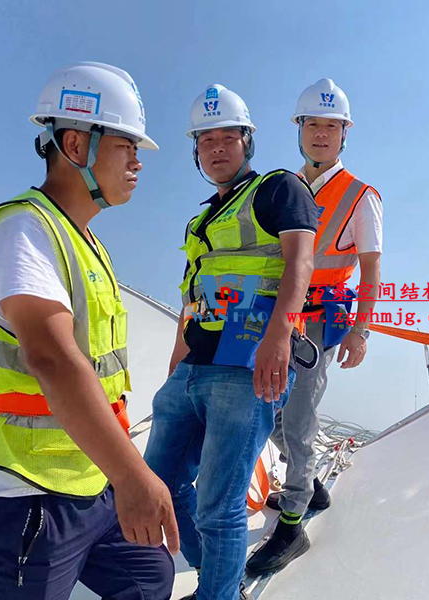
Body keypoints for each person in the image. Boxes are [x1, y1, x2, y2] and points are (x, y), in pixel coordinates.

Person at [0, 62, 178, 599]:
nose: (138, 162)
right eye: (126, 146)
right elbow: (52, 359)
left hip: (88, 476)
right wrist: (133, 476)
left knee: (148, 578)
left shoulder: (84, 242)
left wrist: (118, 474)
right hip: (21, 490)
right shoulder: (23, 230)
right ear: (75, 144)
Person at [143, 84, 318, 600]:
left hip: (247, 367)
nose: (216, 149)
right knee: (159, 486)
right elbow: (192, 297)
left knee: (218, 504)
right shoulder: (200, 221)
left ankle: (217, 593)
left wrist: (279, 337)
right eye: (206, 141)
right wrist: (176, 368)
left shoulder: (280, 189)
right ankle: (218, 579)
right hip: (194, 368)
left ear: (247, 142)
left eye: (227, 139)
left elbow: (301, 262)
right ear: (196, 151)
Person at [246, 78, 383, 576]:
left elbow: (371, 269)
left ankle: (293, 523)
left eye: (331, 126)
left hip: (321, 323)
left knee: (300, 418)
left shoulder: (360, 196)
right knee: (271, 412)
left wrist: (361, 331)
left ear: (345, 133)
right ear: (299, 130)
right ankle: (311, 488)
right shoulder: (284, 187)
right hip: (277, 316)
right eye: (312, 125)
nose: (321, 134)